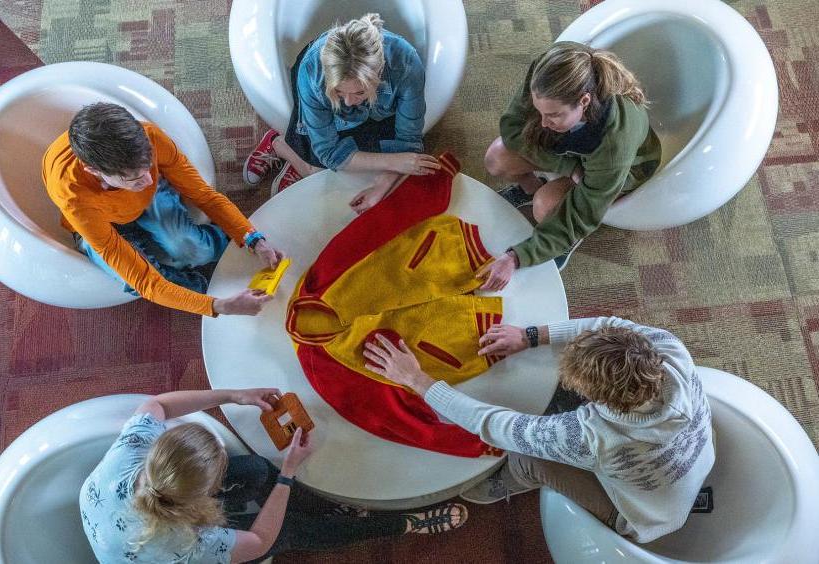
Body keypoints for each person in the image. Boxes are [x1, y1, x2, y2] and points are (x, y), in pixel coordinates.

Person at [364, 316, 714, 544]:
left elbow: (499, 426)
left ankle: (500, 486)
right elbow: (608, 324)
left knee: (530, 460)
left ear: (597, 398)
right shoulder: (669, 350)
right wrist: (529, 336)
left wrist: (417, 380)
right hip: (692, 462)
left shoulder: (591, 437)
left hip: (644, 518)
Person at [80, 388, 468, 563]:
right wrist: (288, 474)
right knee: (290, 531)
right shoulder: (190, 544)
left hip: (143, 517)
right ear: (204, 495)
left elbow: (157, 403)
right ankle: (397, 524)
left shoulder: (130, 453)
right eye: (217, 477)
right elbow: (258, 541)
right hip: (158, 551)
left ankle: (338, 508)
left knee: (253, 470)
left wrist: (233, 395)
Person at [44, 102, 285, 317]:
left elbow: (205, 196)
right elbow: (147, 282)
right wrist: (217, 305)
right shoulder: (74, 197)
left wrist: (252, 238)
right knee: (152, 279)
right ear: (95, 172)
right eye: (135, 179)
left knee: (191, 251)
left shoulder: (150, 136)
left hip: (136, 203)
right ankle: (206, 288)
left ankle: (225, 248)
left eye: (149, 168)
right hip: (97, 223)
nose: (148, 182)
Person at [478, 41, 662, 281]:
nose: (542, 122)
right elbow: (512, 128)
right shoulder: (548, 72)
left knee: (545, 206)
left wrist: (516, 257)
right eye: (539, 111)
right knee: (497, 158)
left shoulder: (614, 143)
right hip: (573, 154)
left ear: (584, 101)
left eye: (553, 114)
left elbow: (580, 216)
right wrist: (569, 166)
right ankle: (531, 188)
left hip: (619, 169)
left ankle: (564, 244)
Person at [242, 13, 440, 213]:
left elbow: (408, 139)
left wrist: (383, 183)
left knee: (373, 180)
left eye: (359, 92)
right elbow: (328, 152)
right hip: (323, 104)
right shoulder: (311, 72)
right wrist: (395, 162)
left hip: (380, 111)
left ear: (378, 74)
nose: (348, 102)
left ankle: (296, 155)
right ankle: (279, 144)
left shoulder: (406, 64)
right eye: (338, 91)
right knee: (321, 173)